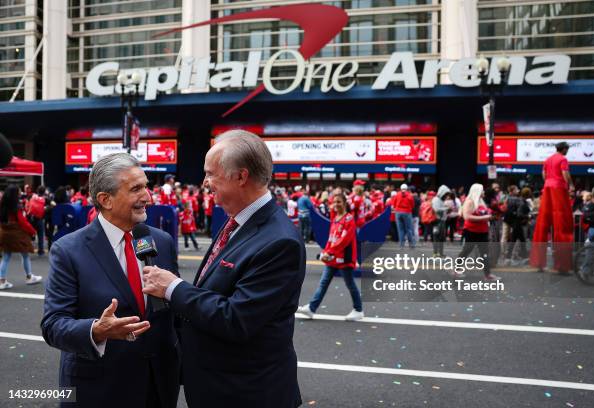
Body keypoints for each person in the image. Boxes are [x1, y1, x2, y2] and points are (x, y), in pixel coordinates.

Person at [142, 130, 306, 408]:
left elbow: (236, 319)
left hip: (247, 393)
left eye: (211, 174)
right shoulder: (239, 219)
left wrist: (172, 288)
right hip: (220, 385)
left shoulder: (279, 241)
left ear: (241, 177)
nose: (205, 183)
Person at [40, 153, 180, 408]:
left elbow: (176, 314)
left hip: (158, 386)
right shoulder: (68, 250)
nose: (147, 197)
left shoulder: (161, 241)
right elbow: (53, 325)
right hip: (98, 390)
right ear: (106, 200)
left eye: (146, 186)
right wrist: (96, 330)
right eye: (136, 189)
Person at [297, 191, 364, 321]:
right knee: (323, 283)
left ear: (345, 203)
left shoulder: (349, 219)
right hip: (333, 258)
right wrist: (325, 252)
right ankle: (312, 308)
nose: (336, 204)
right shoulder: (335, 218)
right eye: (334, 202)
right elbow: (331, 239)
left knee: (350, 284)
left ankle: (358, 309)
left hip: (344, 258)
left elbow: (344, 240)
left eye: (339, 202)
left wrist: (329, 252)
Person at [529, 141, 574, 273]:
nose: (567, 151)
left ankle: (539, 263)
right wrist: (570, 185)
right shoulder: (563, 159)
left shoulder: (548, 159)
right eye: (567, 149)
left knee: (542, 223)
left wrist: (549, 182)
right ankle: (562, 265)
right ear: (564, 149)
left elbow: (544, 174)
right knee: (562, 223)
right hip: (559, 189)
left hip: (547, 188)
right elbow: (565, 173)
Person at [0, 185, 43, 289]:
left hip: (4, 232)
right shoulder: (16, 207)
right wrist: (32, 231)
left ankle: (2, 281)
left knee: (6, 257)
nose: (20, 193)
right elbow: (23, 222)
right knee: (25, 254)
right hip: (16, 234)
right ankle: (29, 277)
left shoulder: (2, 206)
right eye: (18, 192)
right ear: (15, 194)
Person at [456, 183, 500, 281]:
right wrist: (485, 217)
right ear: (477, 191)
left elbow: (485, 213)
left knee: (484, 253)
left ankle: (487, 275)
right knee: (466, 251)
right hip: (471, 231)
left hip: (482, 231)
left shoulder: (480, 201)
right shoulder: (470, 202)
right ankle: (457, 270)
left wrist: (491, 215)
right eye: (482, 190)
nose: (483, 192)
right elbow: (467, 217)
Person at [391, 184, 416, 248]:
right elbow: (413, 205)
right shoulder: (409, 195)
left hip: (398, 213)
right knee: (409, 229)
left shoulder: (397, 194)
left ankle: (401, 245)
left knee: (400, 229)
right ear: (407, 188)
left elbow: (393, 204)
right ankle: (411, 244)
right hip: (407, 212)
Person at [26, 185, 48, 256]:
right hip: (39, 219)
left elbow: (27, 205)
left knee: (29, 235)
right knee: (40, 235)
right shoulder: (45, 199)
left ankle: (28, 249)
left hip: (31, 219)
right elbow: (52, 205)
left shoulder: (32, 196)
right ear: (44, 192)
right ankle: (40, 251)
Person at [431, 185, 451, 257]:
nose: (446, 196)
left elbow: (440, 210)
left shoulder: (441, 200)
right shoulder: (436, 199)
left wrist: (446, 210)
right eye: (445, 194)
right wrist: (446, 209)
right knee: (437, 237)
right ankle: (436, 253)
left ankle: (440, 253)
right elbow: (437, 210)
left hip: (441, 220)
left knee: (441, 237)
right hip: (437, 221)